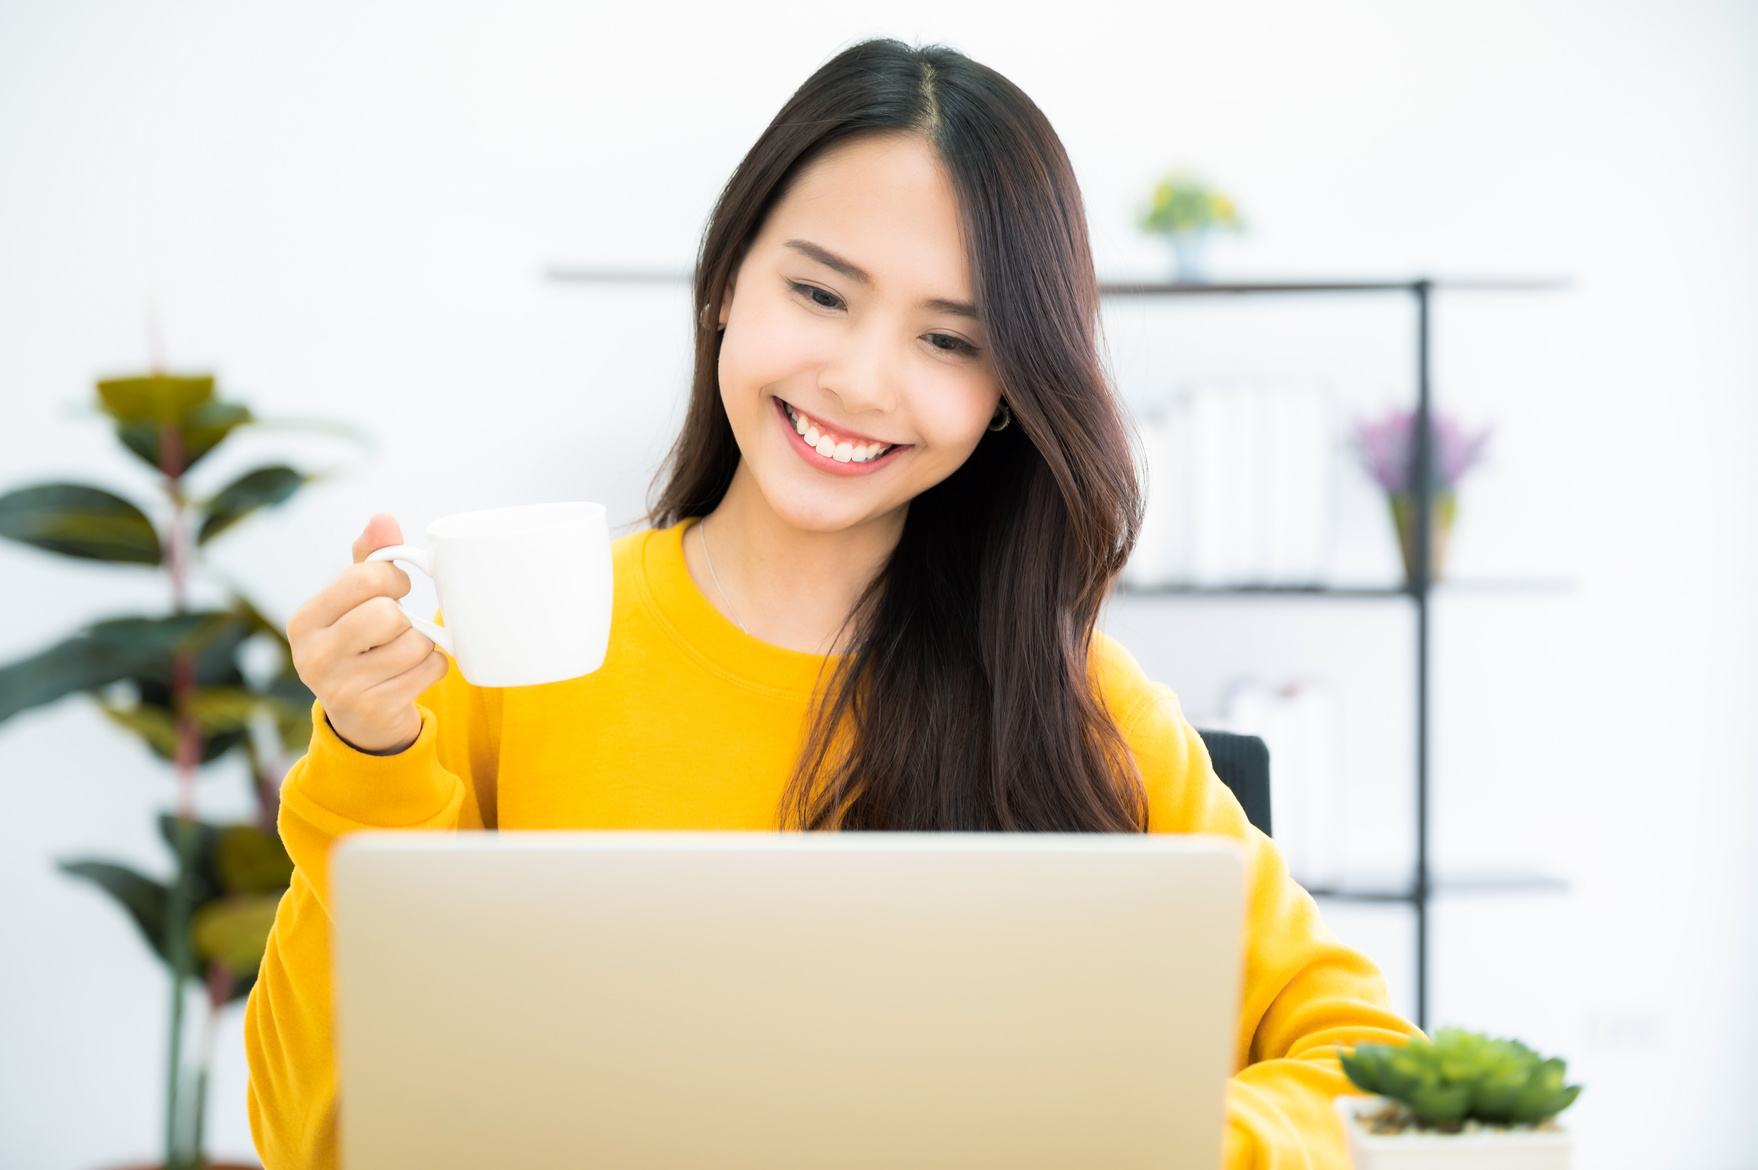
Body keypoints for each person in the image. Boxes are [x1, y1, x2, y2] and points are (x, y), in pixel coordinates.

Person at [244, 38, 1415, 1169]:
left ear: (1009, 396)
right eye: (819, 292)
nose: (861, 380)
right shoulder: (498, 658)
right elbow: (321, 1142)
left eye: (950, 340)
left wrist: (1134, 1147)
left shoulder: (1077, 702)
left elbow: (1374, 1068)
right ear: (725, 284)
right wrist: (367, 750)